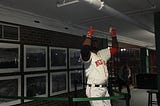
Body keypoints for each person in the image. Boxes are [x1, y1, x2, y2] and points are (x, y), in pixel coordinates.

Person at [80, 26, 118, 106]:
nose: (95, 43)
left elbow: (115, 49)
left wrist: (114, 36)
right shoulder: (88, 56)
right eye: (92, 41)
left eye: (95, 41)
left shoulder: (102, 53)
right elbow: (84, 50)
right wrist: (89, 35)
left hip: (104, 88)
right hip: (94, 89)